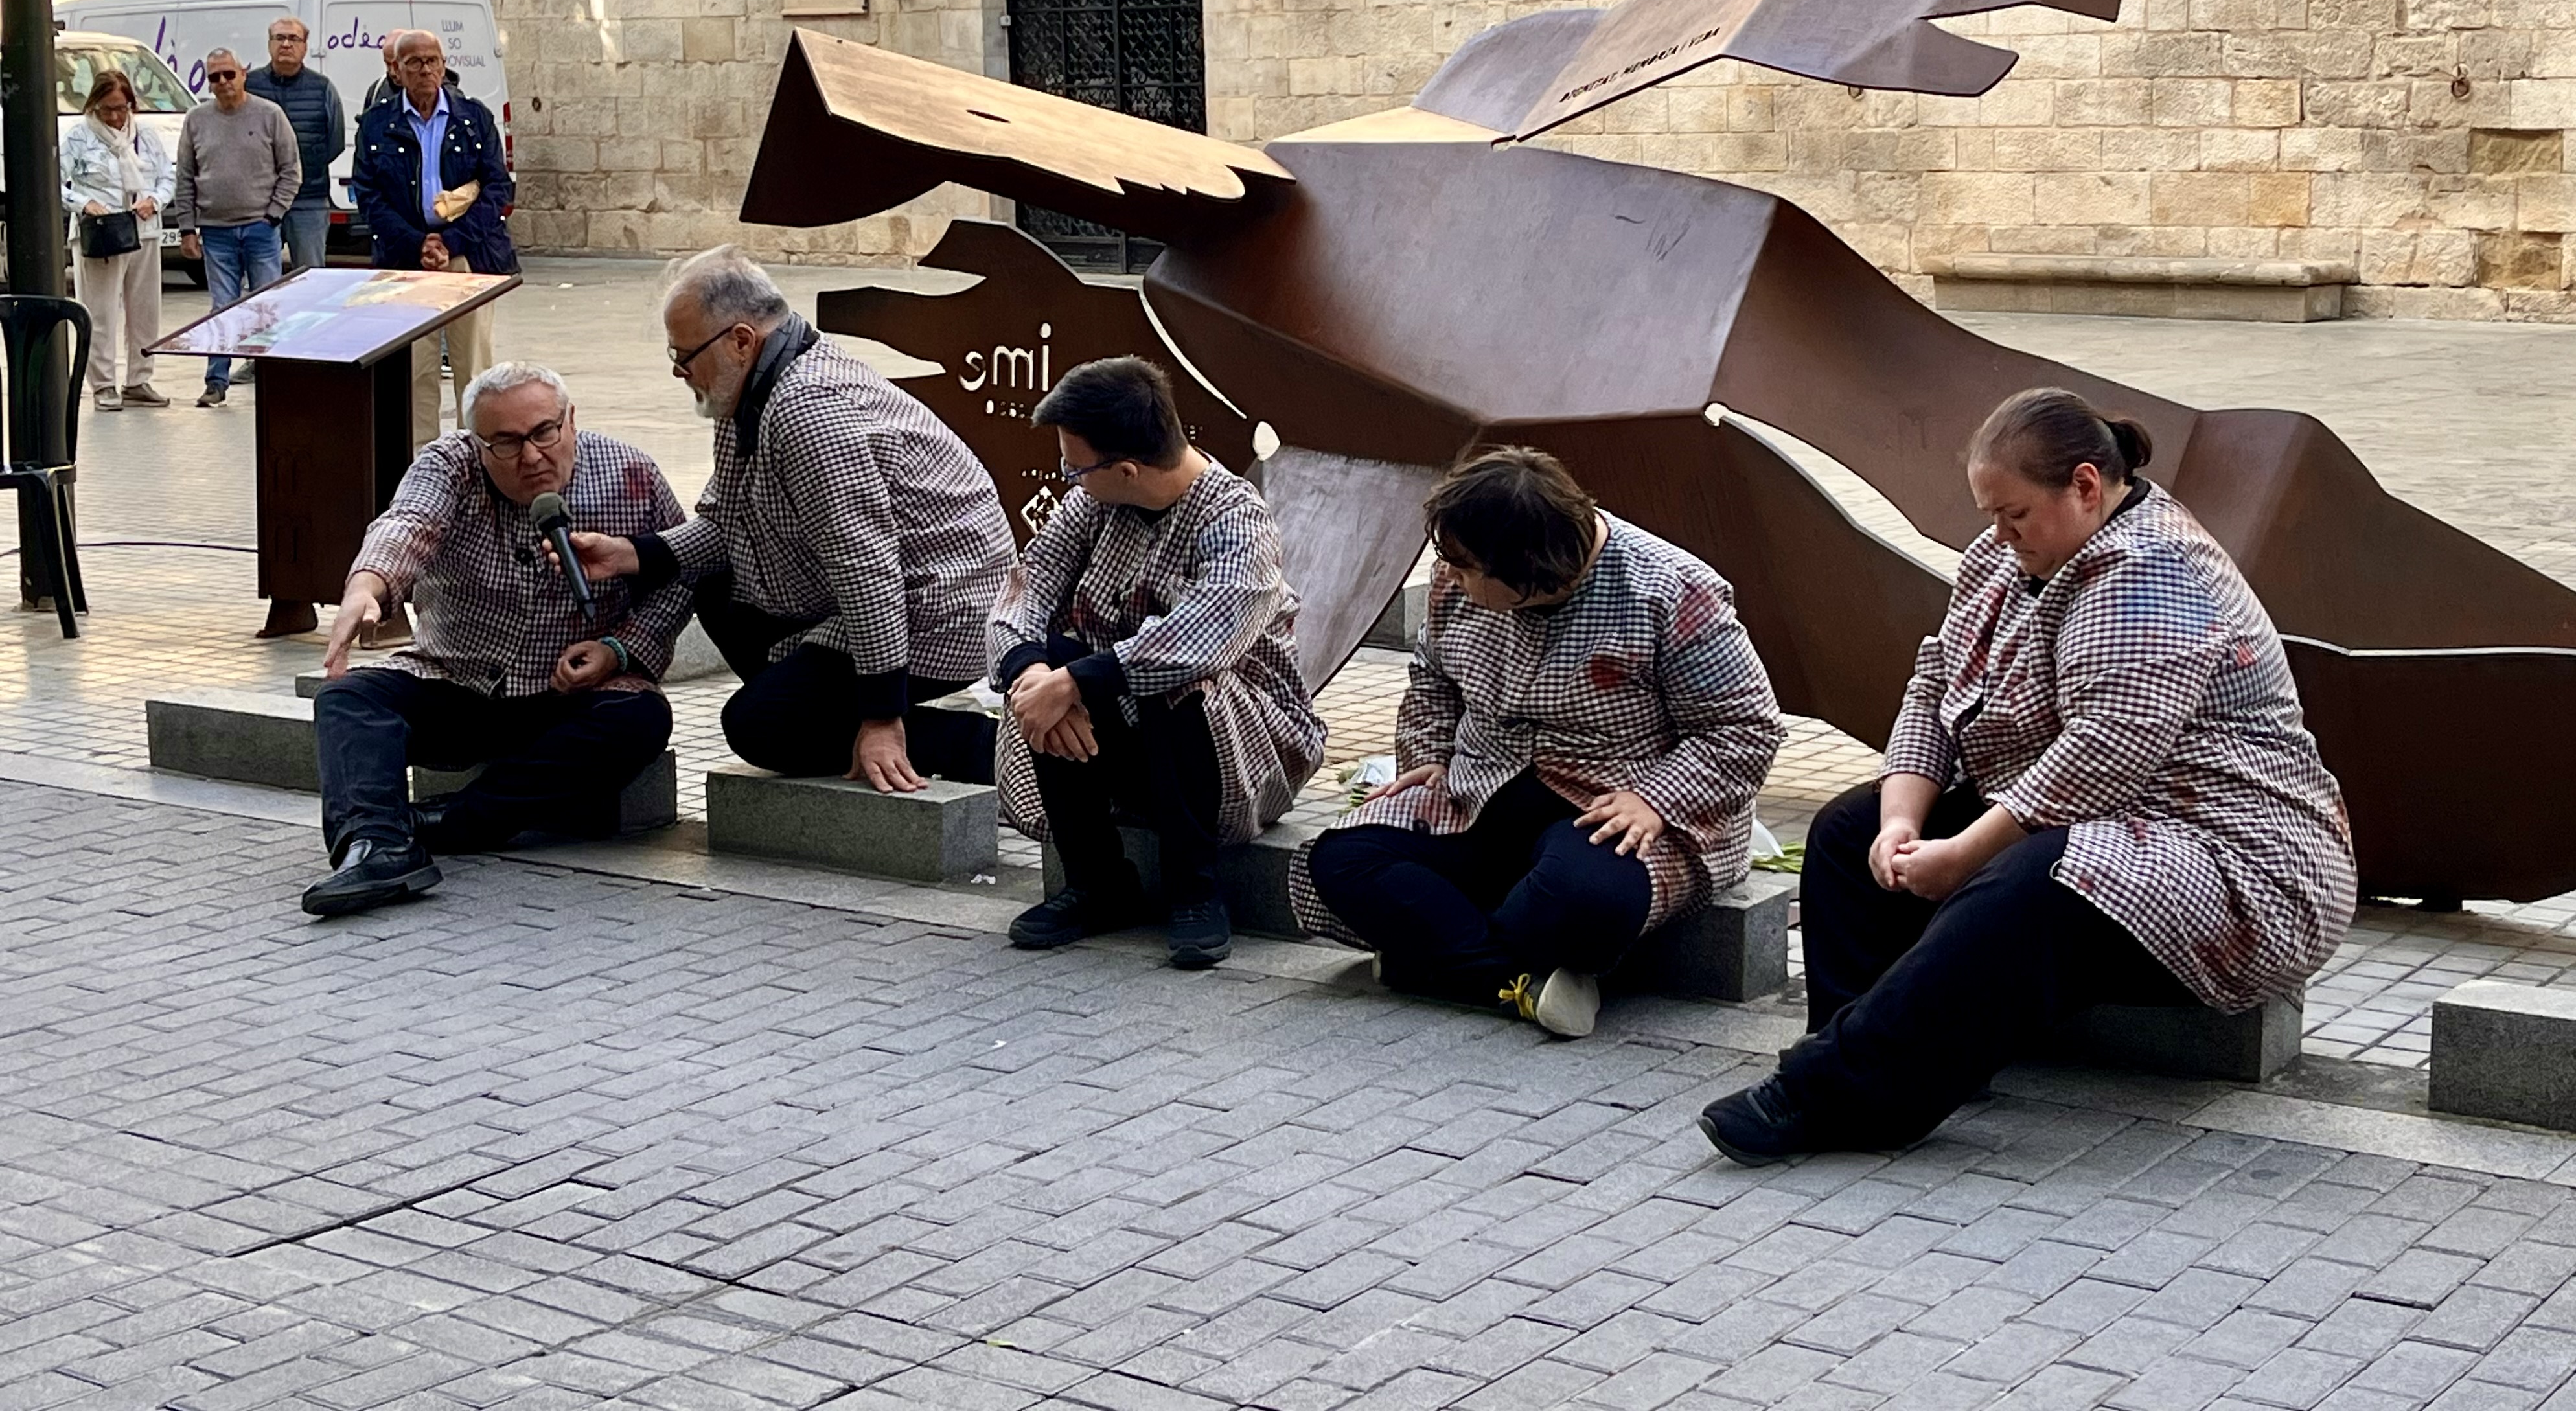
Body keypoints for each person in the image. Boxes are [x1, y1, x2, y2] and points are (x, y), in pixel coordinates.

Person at [1699, 388, 2360, 1162]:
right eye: (1990, 514)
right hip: (2091, 821)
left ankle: (1830, 1094)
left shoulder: (2157, 571)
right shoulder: (2006, 555)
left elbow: (2100, 757)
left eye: (2014, 514)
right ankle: (1869, 1050)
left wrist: (1964, 854)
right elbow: (1936, 683)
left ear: (2085, 486)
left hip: (2233, 859)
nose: (1999, 534)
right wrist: (1901, 818)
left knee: (2038, 877)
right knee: (1851, 836)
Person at [1297, 446, 1783, 1036]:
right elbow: (1432, 677)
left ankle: (1430, 957)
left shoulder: (1673, 591)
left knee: (1584, 901)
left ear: (1529, 572)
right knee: (1341, 859)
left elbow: (1745, 728)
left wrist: (1656, 800)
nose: (1451, 576)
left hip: (1614, 805)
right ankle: (1519, 980)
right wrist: (1428, 755)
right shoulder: (1458, 576)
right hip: (1481, 789)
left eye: (1468, 568)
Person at [567, 246, 1015, 793]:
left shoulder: (807, 410)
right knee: (711, 583)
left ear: (740, 340)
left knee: (759, 728)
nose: (679, 371)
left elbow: (867, 571)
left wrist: (880, 717)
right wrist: (632, 555)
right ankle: (818, 706)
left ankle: (978, 744)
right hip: (862, 599)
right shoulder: (747, 386)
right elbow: (727, 523)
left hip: (938, 612)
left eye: (685, 355)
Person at [301, 361, 693, 918]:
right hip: (454, 681)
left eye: (544, 433)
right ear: (477, 443)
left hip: (570, 694)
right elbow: (407, 523)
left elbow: (679, 577)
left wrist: (619, 649)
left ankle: (450, 822)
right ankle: (375, 844)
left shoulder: (631, 473)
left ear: (571, 421)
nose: (531, 457)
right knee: (347, 698)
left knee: (640, 719)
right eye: (506, 443)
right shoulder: (447, 465)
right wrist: (368, 584)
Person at [994, 358, 1324, 970]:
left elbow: (1199, 640)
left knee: (1172, 679)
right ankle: (1097, 883)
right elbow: (1028, 585)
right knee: (1050, 668)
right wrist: (1032, 672)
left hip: (1246, 750)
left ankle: (1195, 887)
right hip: (1132, 738)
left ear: (1126, 470)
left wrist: (1075, 681)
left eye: (1075, 467)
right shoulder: (1092, 504)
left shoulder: (1236, 520)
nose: (1069, 479)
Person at [351, 29, 514, 437]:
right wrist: (416, 242)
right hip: (405, 260)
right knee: (414, 370)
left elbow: (498, 188)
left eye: (432, 61)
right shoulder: (376, 123)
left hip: (468, 256)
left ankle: (473, 452)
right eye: (414, 63)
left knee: (473, 367)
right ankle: (421, 458)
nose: (425, 70)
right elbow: (368, 196)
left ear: (443, 66)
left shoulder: (474, 119)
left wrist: (450, 242)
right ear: (396, 70)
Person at [170, 47, 301, 409]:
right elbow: (185, 177)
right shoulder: (196, 120)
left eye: (229, 74)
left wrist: (273, 215)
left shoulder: (270, 115)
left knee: (268, 306)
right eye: (215, 77)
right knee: (222, 308)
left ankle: (274, 379)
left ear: (244, 74)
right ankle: (216, 381)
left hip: (262, 228)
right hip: (216, 231)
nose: (224, 82)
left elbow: (291, 170)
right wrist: (187, 228)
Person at [59, 69, 176, 411]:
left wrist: (154, 201)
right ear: (93, 106)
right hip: (101, 234)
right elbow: (54, 181)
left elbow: (168, 177)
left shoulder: (146, 135)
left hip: (143, 228)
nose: (114, 117)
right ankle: (103, 384)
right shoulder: (79, 137)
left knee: (145, 311)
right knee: (100, 311)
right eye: (107, 109)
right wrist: (84, 203)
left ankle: (139, 379)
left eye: (121, 108)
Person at [244, 16, 347, 272]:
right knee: (260, 279)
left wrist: (307, 165)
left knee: (311, 277)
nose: (286, 44)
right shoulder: (249, 86)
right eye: (279, 38)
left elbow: (335, 142)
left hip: (308, 200)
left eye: (294, 39)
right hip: (258, 201)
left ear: (305, 47)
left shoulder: (322, 88)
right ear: (269, 44)